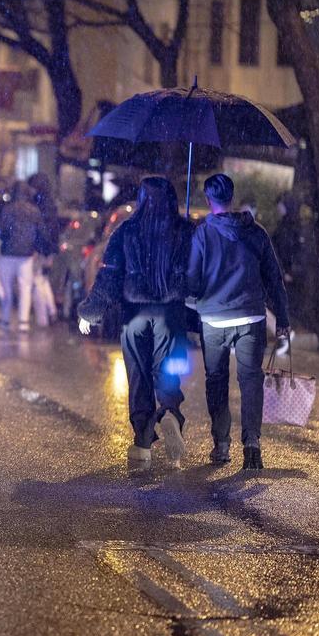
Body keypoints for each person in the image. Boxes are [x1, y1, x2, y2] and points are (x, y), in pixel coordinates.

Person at [78, 177, 194, 466]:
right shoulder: (185, 231)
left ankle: (142, 443)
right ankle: (169, 413)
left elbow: (110, 276)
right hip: (170, 315)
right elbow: (198, 276)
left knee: (139, 376)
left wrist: (90, 312)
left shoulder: (126, 231)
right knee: (167, 371)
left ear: (142, 200)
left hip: (134, 317)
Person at [188, 173, 290, 470]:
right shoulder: (255, 232)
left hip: (214, 319)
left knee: (216, 380)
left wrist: (193, 291)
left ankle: (221, 444)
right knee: (250, 380)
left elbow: (193, 280)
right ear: (232, 198)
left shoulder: (202, 234)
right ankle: (252, 444)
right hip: (251, 318)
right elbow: (273, 277)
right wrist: (282, 317)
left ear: (209, 201)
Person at [271, 193, 319, 352]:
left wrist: (290, 271)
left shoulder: (294, 227)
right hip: (289, 276)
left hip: (295, 277)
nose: (279, 208)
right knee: (289, 310)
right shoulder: (287, 225)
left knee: (293, 311)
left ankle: (318, 333)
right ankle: (286, 339)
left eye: (281, 204)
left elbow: (297, 252)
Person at [0, 181, 45, 331]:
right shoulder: (34, 211)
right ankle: (23, 322)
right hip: (26, 255)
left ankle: (5, 318)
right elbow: (40, 232)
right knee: (25, 288)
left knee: (6, 289)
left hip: (7, 254)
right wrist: (41, 249)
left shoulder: (7, 209)